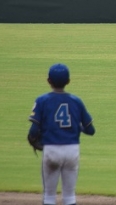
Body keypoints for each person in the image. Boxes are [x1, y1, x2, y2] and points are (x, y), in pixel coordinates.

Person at [28, 63, 95, 205]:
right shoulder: (76, 101)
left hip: (51, 149)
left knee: (49, 196)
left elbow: (33, 131)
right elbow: (91, 130)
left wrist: (34, 140)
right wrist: (78, 128)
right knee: (70, 197)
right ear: (68, 81)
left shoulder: (42, 100)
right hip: (72, 151)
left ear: (49, 81)